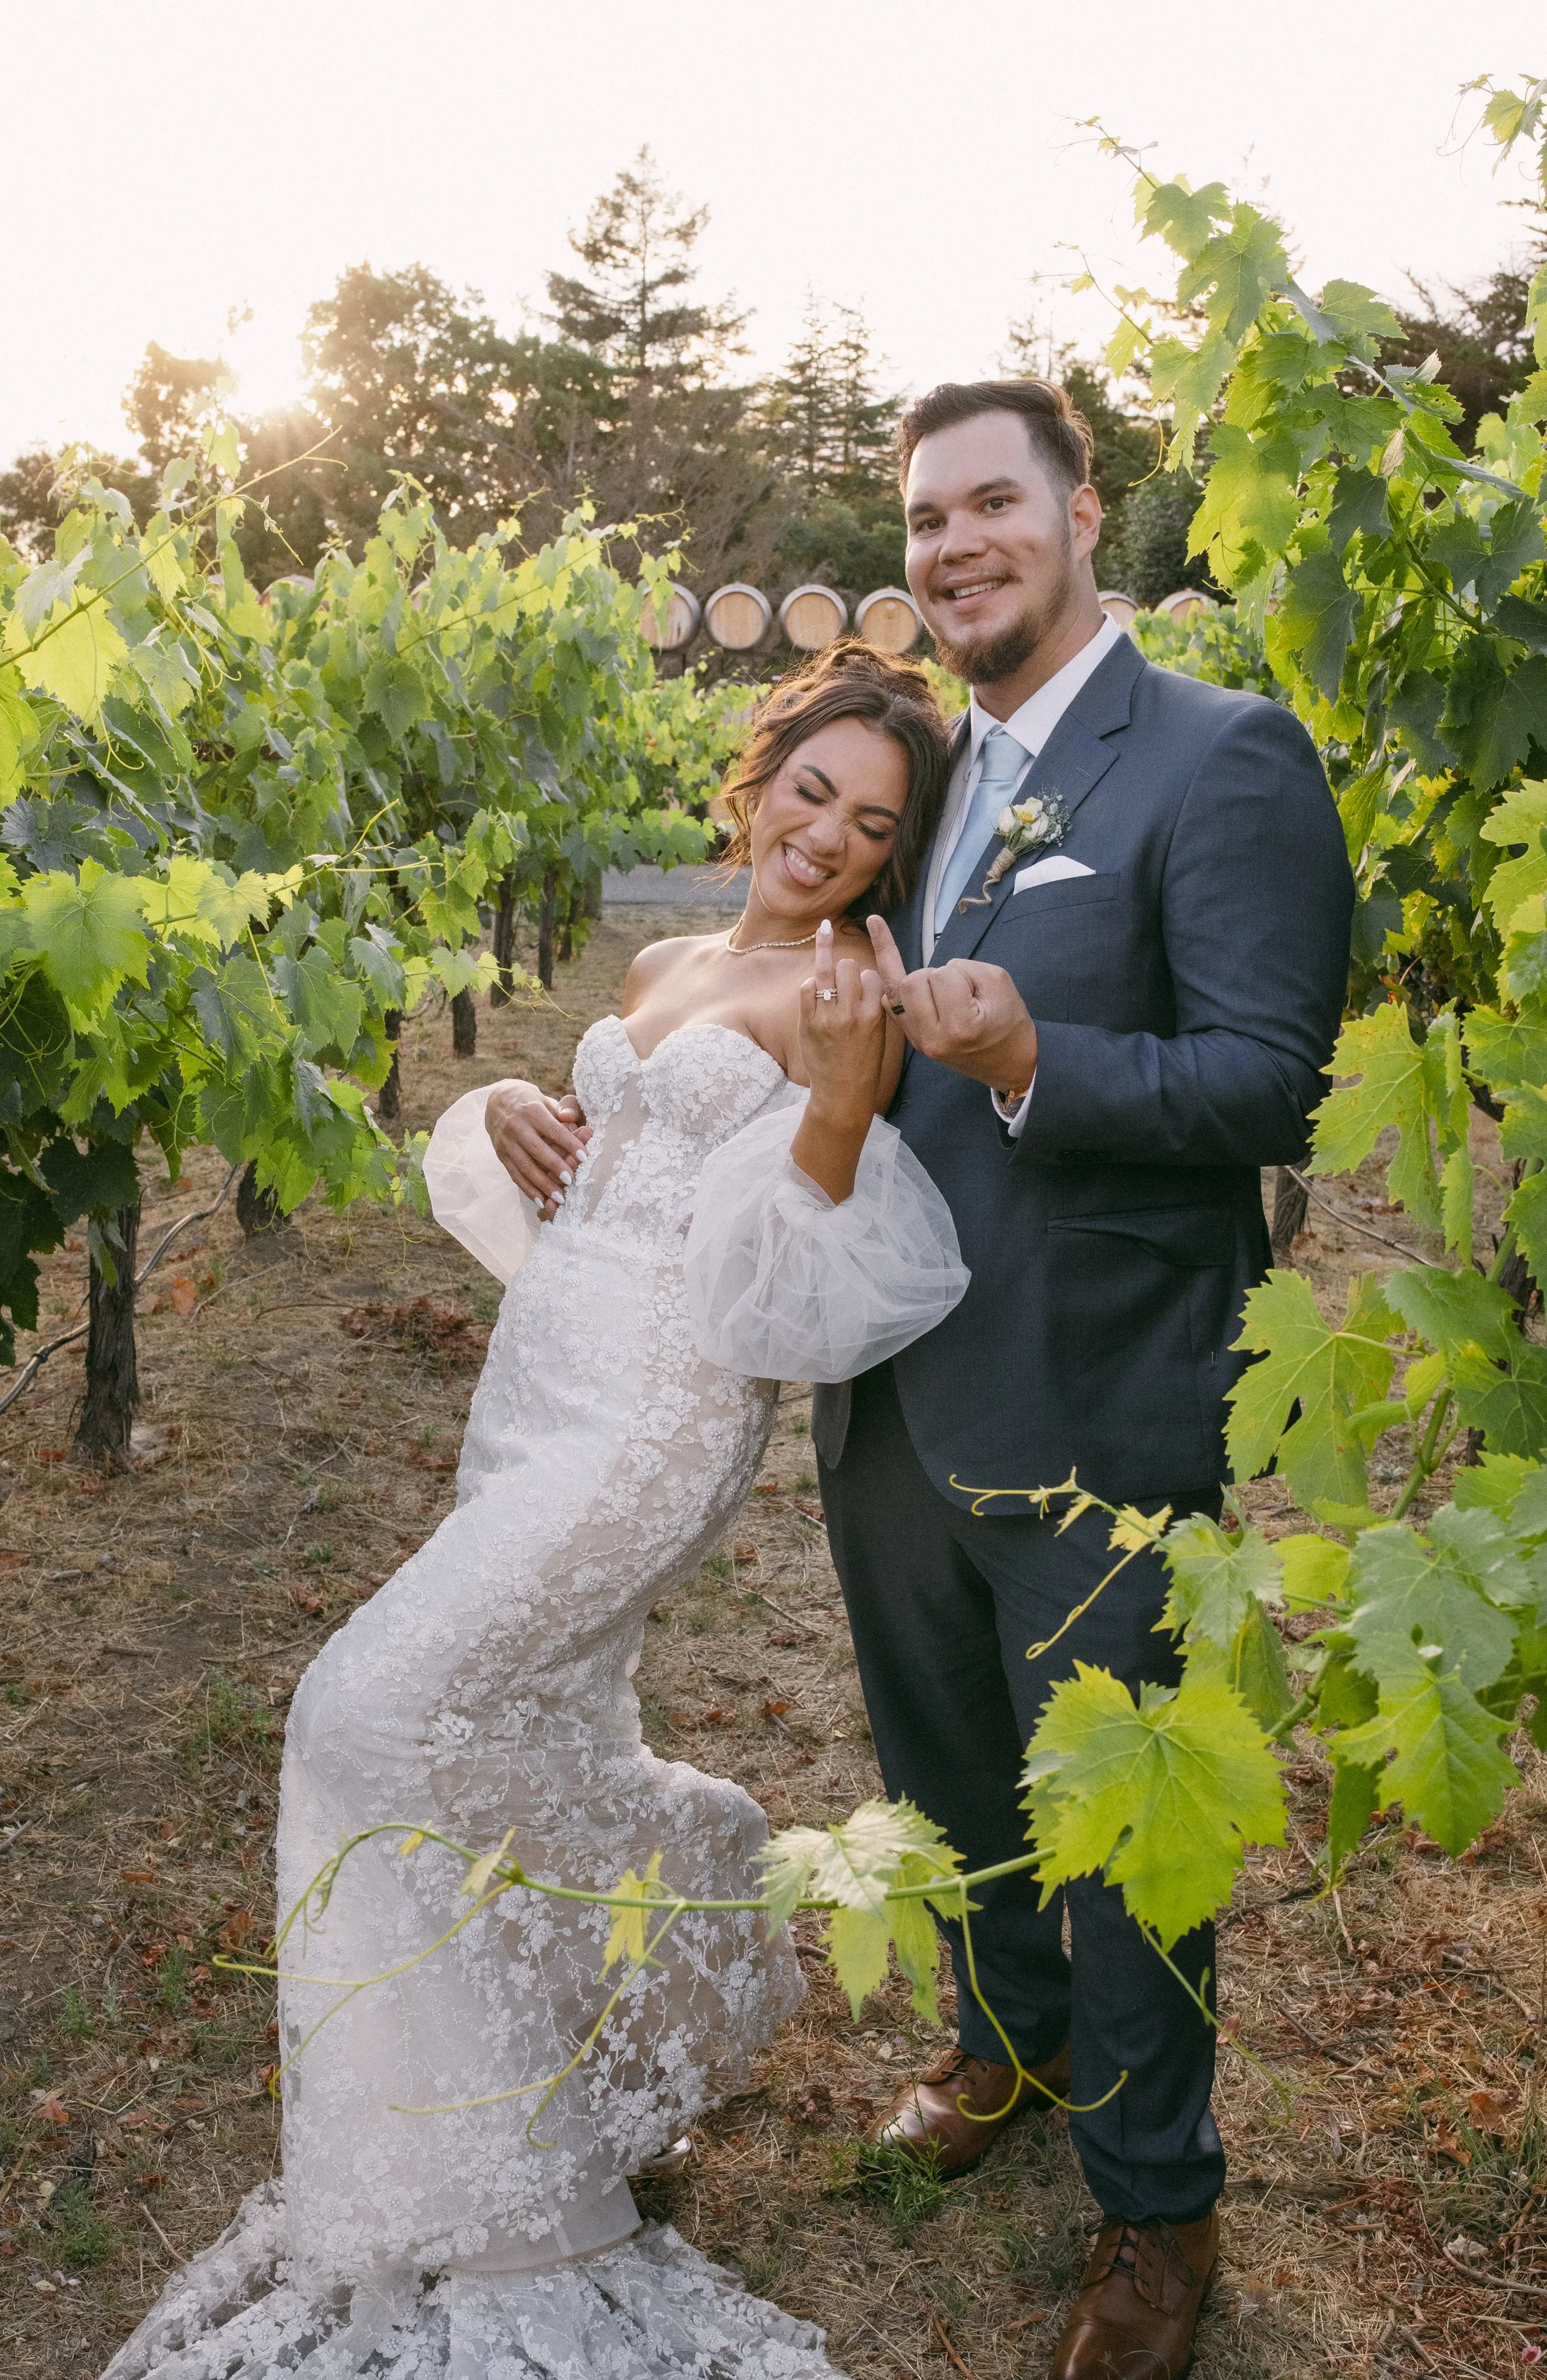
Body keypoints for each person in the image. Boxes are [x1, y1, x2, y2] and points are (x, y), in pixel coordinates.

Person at [103, 644, 966, 2380]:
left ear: (892, 859)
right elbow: (602, 1146)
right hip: (535, 1378)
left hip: (655, 1415)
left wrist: (849, 1112)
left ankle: (519, 2189)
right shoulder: (660, 957)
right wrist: (501, 1103)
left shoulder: (839, 997)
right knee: (518, 1714)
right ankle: (677, 1904)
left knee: (368, 1711)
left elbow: (817, 1275)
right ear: (765, 767)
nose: (827, 837)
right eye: (814, 787)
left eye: (873, 825)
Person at [816, 380, 1354, 2380]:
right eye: (924, 518)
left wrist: (1032, 1056)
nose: (952, 545)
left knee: (1126, 1823)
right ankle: (1001, 2045)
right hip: (889, 1380)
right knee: (945, 1765)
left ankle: (1155, 2204)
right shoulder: (929, 768)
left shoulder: (1218, 758)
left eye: (989, 506)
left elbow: (1260, 1080)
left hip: (1099, 1390)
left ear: (1076, 511)